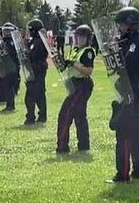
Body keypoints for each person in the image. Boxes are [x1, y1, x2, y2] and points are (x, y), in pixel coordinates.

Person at [108, 7, 139, 183]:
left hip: (134, 92)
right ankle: (138, 170)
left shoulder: (137, 43)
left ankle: (124, 173)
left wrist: (114, 54)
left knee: (125, 131)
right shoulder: (126, 42)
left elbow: (127, 66)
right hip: (129, 90)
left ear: (130, 24)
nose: (119, 27)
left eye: (122, 24)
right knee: (134, 131)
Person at [56, 25, 95, 153]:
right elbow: (67, 66)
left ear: (88, 38)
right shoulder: (75, 50)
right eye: (78, 36)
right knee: (79, 115)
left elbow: (88, 71)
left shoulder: (88, 51)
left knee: (66, 114)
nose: (79, 39)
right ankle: (84, 145)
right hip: (74, 84)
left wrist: (74, 64)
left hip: (82, 85)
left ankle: (62, 146)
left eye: (83, 37)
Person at [23, 19, 48, 124]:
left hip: (37, 70)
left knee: (31, 95)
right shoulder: (36, 41)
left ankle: (31, 117)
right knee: (39, 95)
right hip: (37, 70)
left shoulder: (38, 42)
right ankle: (42, 116)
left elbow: (32, 56)